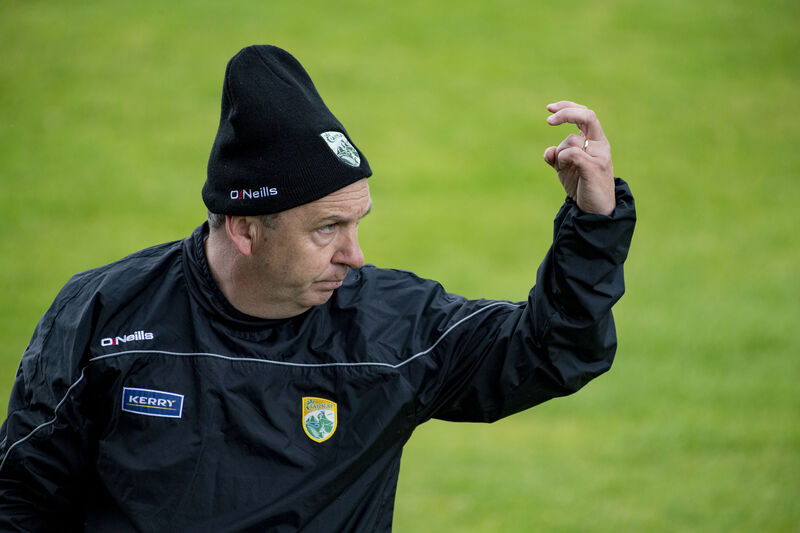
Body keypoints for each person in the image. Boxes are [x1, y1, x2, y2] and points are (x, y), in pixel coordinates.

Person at [0, 45, 635, 531]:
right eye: (327, 228)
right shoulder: (105, 316)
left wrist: (594, 223)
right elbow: (23, 497)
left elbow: (550, 351)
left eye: (357, 222)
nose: (355, 256)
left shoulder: (394, 329)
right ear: (248, 229)